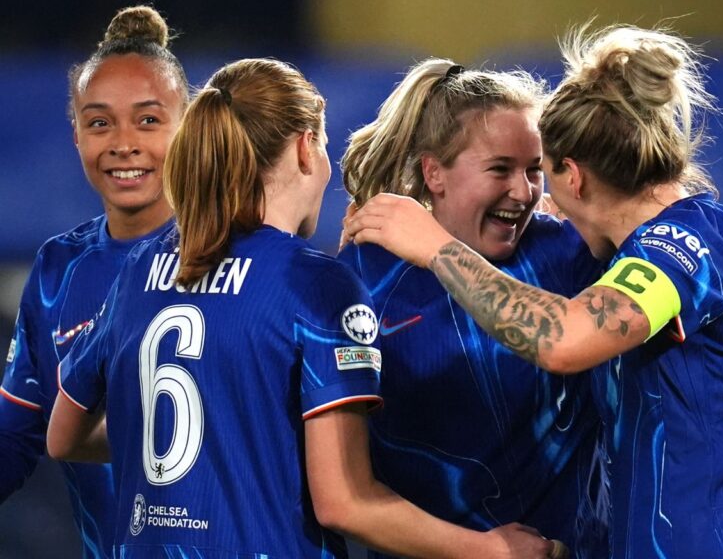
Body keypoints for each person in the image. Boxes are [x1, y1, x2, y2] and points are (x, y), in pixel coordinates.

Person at [46, 57, 556, 558]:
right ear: (306, 147)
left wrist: (210, 435)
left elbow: (64, 436)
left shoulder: (139, 267)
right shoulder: (316, 283)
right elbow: (345, 503)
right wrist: (489, 550)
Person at [345, 25, 723, 558]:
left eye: (539, 174)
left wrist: (435, 246)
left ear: (572, 176)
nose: (532, 198)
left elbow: (564, 339)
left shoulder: (691, 242)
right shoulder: (628, 258)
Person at [338, 58, 606, 558]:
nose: (523, 192)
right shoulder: (365, 277)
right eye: (500, 169)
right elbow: (344, 486)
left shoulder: (570, 252)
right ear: (434, 173)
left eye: (534, 170)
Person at [0, 5, 187, 557]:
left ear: (190, 124)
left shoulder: (243, 253)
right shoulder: (58, 270)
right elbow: (17, 433)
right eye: (99, 121)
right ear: (76, 132)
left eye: (149, 120)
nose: (123, 143)